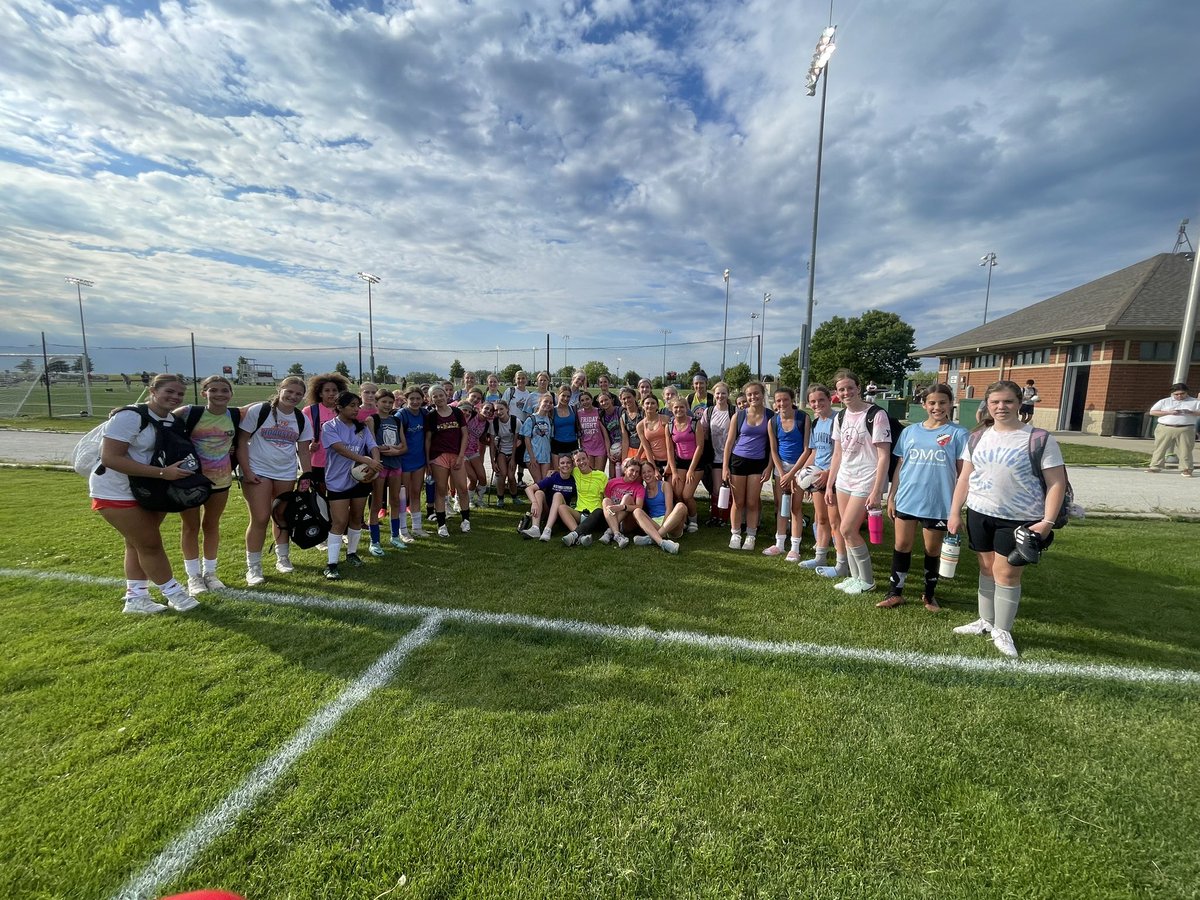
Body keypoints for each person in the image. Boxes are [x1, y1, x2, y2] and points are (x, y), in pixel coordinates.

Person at [948, 380, 1067, 658]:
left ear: (1019, 403)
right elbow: (965, 476)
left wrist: (1047, 522)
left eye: (1008, 402)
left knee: (1007, 573)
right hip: (980, 512)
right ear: (987, 406)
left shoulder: (1038, 438)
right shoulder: (978, 437)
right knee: (986, 568)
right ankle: (985, 621)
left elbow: (1056, 483)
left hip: (1019, 518)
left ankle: (1003, 629)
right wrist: (955, 511)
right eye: (995, 402)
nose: (1001, 407)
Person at [89, 374, 198, 614]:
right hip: (115, 490)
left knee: (136, 544)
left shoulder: (170, 419)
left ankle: (136, 598)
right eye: (169, 391)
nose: (175, 397)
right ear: (152, 390)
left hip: (148, 489)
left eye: (179, 394)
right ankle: (174, 593)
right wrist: (162, 474)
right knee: (150, 544)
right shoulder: (129, 416)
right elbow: (111, 458)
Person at [878, 384, 967, 611]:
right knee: (901, 545)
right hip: (908, 498)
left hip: (938, 502)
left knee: (932, 550)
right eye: (932, 403)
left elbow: (962, 473)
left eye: (942, 403)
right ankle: (895, 592)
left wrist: (956, 506)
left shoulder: (958, 434)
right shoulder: (910, 432)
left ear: (950, 404)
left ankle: (929, 594)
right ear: (924, 404)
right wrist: (892, 496)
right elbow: (900, 465)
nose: (937, 407)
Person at [237, 376, 314, 584]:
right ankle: (253, 566)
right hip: (258, 470)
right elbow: (242, 441)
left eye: (298, 394)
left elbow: (304, 452)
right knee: (260, 517)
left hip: (286, 472)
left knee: (282, 516)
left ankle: (283, 558)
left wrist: (306, 477)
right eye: (289, 391)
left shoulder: (301, 419)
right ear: (280, 389)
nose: (293, 396)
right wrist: (245, 470)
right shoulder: (259, 411)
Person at [824, 369, 890, 594]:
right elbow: (837, 454)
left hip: (866, 480)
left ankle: (868, 581)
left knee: (848, 529)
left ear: (859, 388)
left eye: (850, 388)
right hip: (844, 479)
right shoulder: (840, 416)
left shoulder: (876, 415)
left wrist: (876, 489)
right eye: (841, 389)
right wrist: (831, 483)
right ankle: (855, 577)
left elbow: (884, 456)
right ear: (837, 393)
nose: (846, 392)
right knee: (845, 531)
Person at [175, 375, 239, 595]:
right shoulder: (189, 413)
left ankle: (210, 573)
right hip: (190, 480)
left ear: (231, 393)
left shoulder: (235, 414)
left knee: (211, 525)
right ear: (204, 393)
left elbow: (266, 405)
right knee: (190, 527)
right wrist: (132, 409)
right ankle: (193, 577)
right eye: (213, 390)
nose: (220, 394)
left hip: (221, 480)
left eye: (225, 390)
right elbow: (157, 414)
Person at [321, 392, 383, 580]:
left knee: (356, 517)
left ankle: (352, 554)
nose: (357, 409)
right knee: (339, 521)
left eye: (358, 405)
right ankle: (331, 564)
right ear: (339, 407)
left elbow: (373, 447)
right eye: (352, 405)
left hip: (360, 479)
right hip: (337, 480)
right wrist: (365, 460)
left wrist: (375, 465)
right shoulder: (329, 427)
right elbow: (340, 449)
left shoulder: (362, 428)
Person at [799, 384, 845, 576]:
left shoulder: (839, 419)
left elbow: (842, 453)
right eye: (813, 401)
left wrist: (828, 473)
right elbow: (815, 452)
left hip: (834, 477)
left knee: (837, 522)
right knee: (822, 519)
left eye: (821, 400)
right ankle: (820, 556)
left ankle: (842, 563)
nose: (817, 404)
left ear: (829, 399)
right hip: (818, 477)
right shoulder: (816, 423)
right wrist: (804, 475)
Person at [722, 381, 773, 551]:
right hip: (738, 461)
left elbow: (774, 446)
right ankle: (735, 533)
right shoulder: (739, 416)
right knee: (738, 501)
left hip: (758, 463)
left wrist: (769, 467)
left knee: (752, 502)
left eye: (756, 393)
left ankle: (751, 536)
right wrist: (725, 467)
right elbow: (729, 443)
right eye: (750, 394)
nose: (753, 397)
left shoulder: (770, 416)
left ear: (762, 394)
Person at [765, 386, 810, 560]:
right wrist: (782, 473)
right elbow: (774, 450)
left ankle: (795, 547)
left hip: (799, 469)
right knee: (781, 505)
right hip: (780, 469)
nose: (782, 403)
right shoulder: (773, 422)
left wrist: (792, 474)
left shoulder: (803, 418)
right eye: (778, 400)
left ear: (792, 400)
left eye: (785, 400)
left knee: (795, 507)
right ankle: (779, 544)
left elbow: (807, 450)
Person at [563, 456, 645, 548]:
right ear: (625, 470)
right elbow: (606, 501)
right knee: (605, 500)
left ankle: (610, 532)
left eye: (637, 472)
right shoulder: (613, 482)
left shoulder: (639, 488)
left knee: (627, 498)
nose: (634, 474)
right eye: (632, 470)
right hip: (610, 518)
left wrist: (621, 507)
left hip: (625, 521)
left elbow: (639, 506)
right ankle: (616, 534)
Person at [424, 387, 472, 536]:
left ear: (446, 396)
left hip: (456, 455)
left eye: (441, 395)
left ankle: (465, 520)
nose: (438, 398)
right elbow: (428, 440)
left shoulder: (457, 412)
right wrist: (427, 462)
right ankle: (441, 524)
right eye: (435, 396)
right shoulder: (431, 416)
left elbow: (465, 435)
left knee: (462, 488)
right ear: (431, 399)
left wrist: (460, 456)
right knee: (441, 490)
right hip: (439, 456)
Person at [367, 391, 407, 556]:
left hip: (396, 464)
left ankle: (395, 536)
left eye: (391, 402)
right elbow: (370, 444)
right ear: (377, 402)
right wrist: (383, 449)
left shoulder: (397, 420)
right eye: (384, 401)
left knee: (395, 501)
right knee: (376, 502)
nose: (388, 405)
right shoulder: (372, 420)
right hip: (380, 466)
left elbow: (404, 445)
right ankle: (374, 541)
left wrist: (396, 451)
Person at [303, 372, 350, 495]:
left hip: (341, 460)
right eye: (327, 390)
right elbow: (302, 436)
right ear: (320, 393)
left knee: (338, 496)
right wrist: (309, 445)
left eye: (335, 390)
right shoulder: (310, 411)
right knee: (320, 497)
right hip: (318, 461)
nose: (331, 393)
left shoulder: (346, 410)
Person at [665, 397, 706, 533]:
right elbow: (670, 450)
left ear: (686, 408)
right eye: (676, 407)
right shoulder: (669, 426)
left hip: (695, 463)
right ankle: (683, 519)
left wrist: (691, 470)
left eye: (682, 407)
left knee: (687, 495)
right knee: (677, 493)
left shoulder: (695, 423)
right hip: (679, 463)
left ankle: (693, 520)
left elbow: (700, 446)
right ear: (671, 409)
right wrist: (674, 471)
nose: (679, 410)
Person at [631, 459, 685, 553]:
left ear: (654, 471)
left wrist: (664, 526)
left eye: (649, 471)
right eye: (644, 473)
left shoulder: (664, 485)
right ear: (641, 476)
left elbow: (669, 508)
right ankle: (661, 542)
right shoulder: (643, 490)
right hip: (654, 524)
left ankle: (652, 539)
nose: (647, 474)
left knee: (681, 506)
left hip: (670, 522)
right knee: (637, 511)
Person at [1146, 382, 1199, 476]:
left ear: (1187, 392)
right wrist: (1168, 412)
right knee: (1160, 448)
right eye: (1176, 394)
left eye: (1182, 394)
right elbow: (1153, 412)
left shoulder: (1195, 402)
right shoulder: (1165, 401)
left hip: (1186, 428)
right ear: (1172, 394)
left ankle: (1186, 469)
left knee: (1185, 450)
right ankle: (1155, 466)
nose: (1179, 396)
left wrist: (1192, 412)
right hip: (1165, 427)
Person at [396, 388, 429, 539]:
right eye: (412, 399)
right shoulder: (401, 415)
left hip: (419, 460)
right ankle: (402, 530)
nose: (415, 402)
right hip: (404, 461)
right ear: (406, 399)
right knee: (403, 496)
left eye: (418, 399)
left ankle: (417, 527)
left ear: (423, 399)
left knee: (416, 493)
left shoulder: (424, 414)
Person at [520, 454, 578, 541]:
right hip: (547, 510)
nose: (565, 465)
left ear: (572, 465)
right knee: (539, 493)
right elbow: (529, 489)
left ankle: (548, 529)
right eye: (562, 463)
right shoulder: (553, 477)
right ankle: (535, 528)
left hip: (561, 512)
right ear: (558, 466)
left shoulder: (574, 480)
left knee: (557, 495)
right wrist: (534, 503)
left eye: (568, 463)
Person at [704, 381, 733, 526]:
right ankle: (716, 516)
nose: (720, 396)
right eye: (718, 393)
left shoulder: (734, 412)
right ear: (714, 395)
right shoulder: (708, 411)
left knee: (729, 487)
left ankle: (726, 517)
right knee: (716, 488)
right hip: (715, 455)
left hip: (732, 456)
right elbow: (703, 433)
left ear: (727, 394)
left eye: (723, 393)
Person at [491, 399, 521, 505]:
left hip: (513, 451)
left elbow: (515, 441)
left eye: (501, 409)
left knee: (511, 476)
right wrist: (492, 462)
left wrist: (513, 459)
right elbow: (491, 445)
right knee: (502, 475)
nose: (499, 412)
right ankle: (500, 498)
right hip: (501, 451)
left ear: (507, 409)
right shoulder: (494, 423)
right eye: (496, 410)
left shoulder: (515, 421)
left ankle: (514, 496)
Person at [520, 392, 554, 484]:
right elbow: (527, 439)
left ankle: (543, 499)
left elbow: (549, 438)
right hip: (533, 455)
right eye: (546, 401)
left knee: (545, 482)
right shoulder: (531, 419)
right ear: (540, 403)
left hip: (545, 456)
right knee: (538, 482)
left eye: (550, 403)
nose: (548, 404)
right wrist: (532, 457)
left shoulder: (550, 420)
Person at [550, 386, 579, 469]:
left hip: (572, 444)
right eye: (563, 396)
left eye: (568, 396)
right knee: (558, 471)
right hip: (557, 444)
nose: (566, 398)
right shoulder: (552, 410)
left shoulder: (573, 409)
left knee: (573, 472)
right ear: (558, 395)